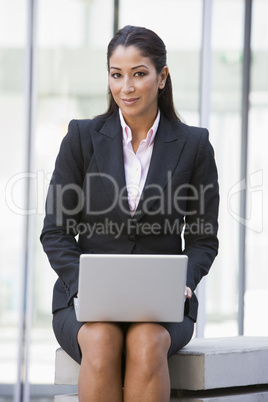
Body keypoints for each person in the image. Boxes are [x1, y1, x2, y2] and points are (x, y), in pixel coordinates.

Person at [40, 25, 219, 402]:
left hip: (164, 304)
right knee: (101, 338)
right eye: (116, 75)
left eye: (139, 74)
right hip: (82, 301)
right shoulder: (81, 138)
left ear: (162, 77)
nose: (127, 87)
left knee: (147, 340)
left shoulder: (194, 145)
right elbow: (55, 232)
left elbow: (203, 238)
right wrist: (83, 285)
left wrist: (185, 281)